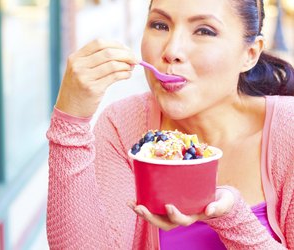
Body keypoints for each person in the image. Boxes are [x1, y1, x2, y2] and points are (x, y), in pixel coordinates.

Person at [46, 0, 294, 248]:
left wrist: (231, 217)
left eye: (204, 31)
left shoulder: (289, 130)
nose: (171, 50)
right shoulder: (122, 125)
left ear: (250, 53)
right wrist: (71, 121)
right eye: (160, 25)